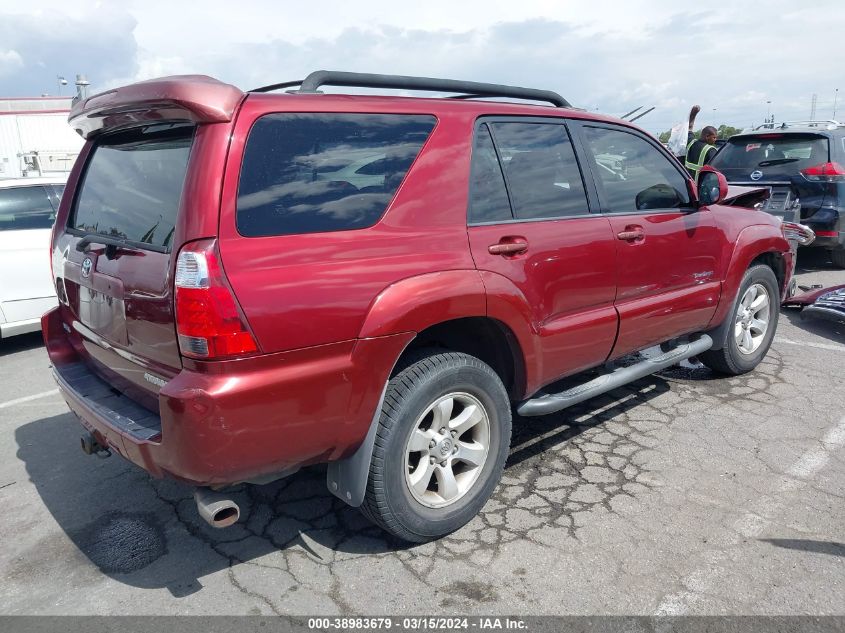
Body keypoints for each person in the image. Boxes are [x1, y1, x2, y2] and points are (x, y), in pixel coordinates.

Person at [684, 105, 718, 181]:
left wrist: (693, 113)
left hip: (687, 185)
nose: (715, 140)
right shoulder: (711, 150)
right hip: (700, 188)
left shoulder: (691, 142)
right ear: (707, 136)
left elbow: (689, 128)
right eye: (714, 137)